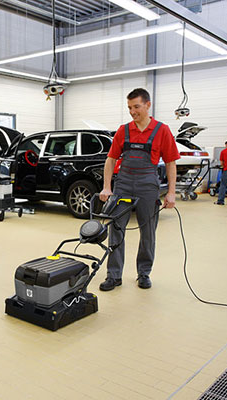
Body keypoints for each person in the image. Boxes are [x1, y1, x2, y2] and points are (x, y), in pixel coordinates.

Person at [98, 88, 180, 291]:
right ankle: (114, 275)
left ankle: (144, 273)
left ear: (147, 105)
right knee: (116, 229)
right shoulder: (123, 130)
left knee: (148, 231)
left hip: (148, 184)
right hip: (123, 183)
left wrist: (171, 192)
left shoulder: (162, 130)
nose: (132, 112)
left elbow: (171, 163)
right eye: (129, 108)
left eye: (136, 107)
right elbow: (111, 159)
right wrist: (107, 187)